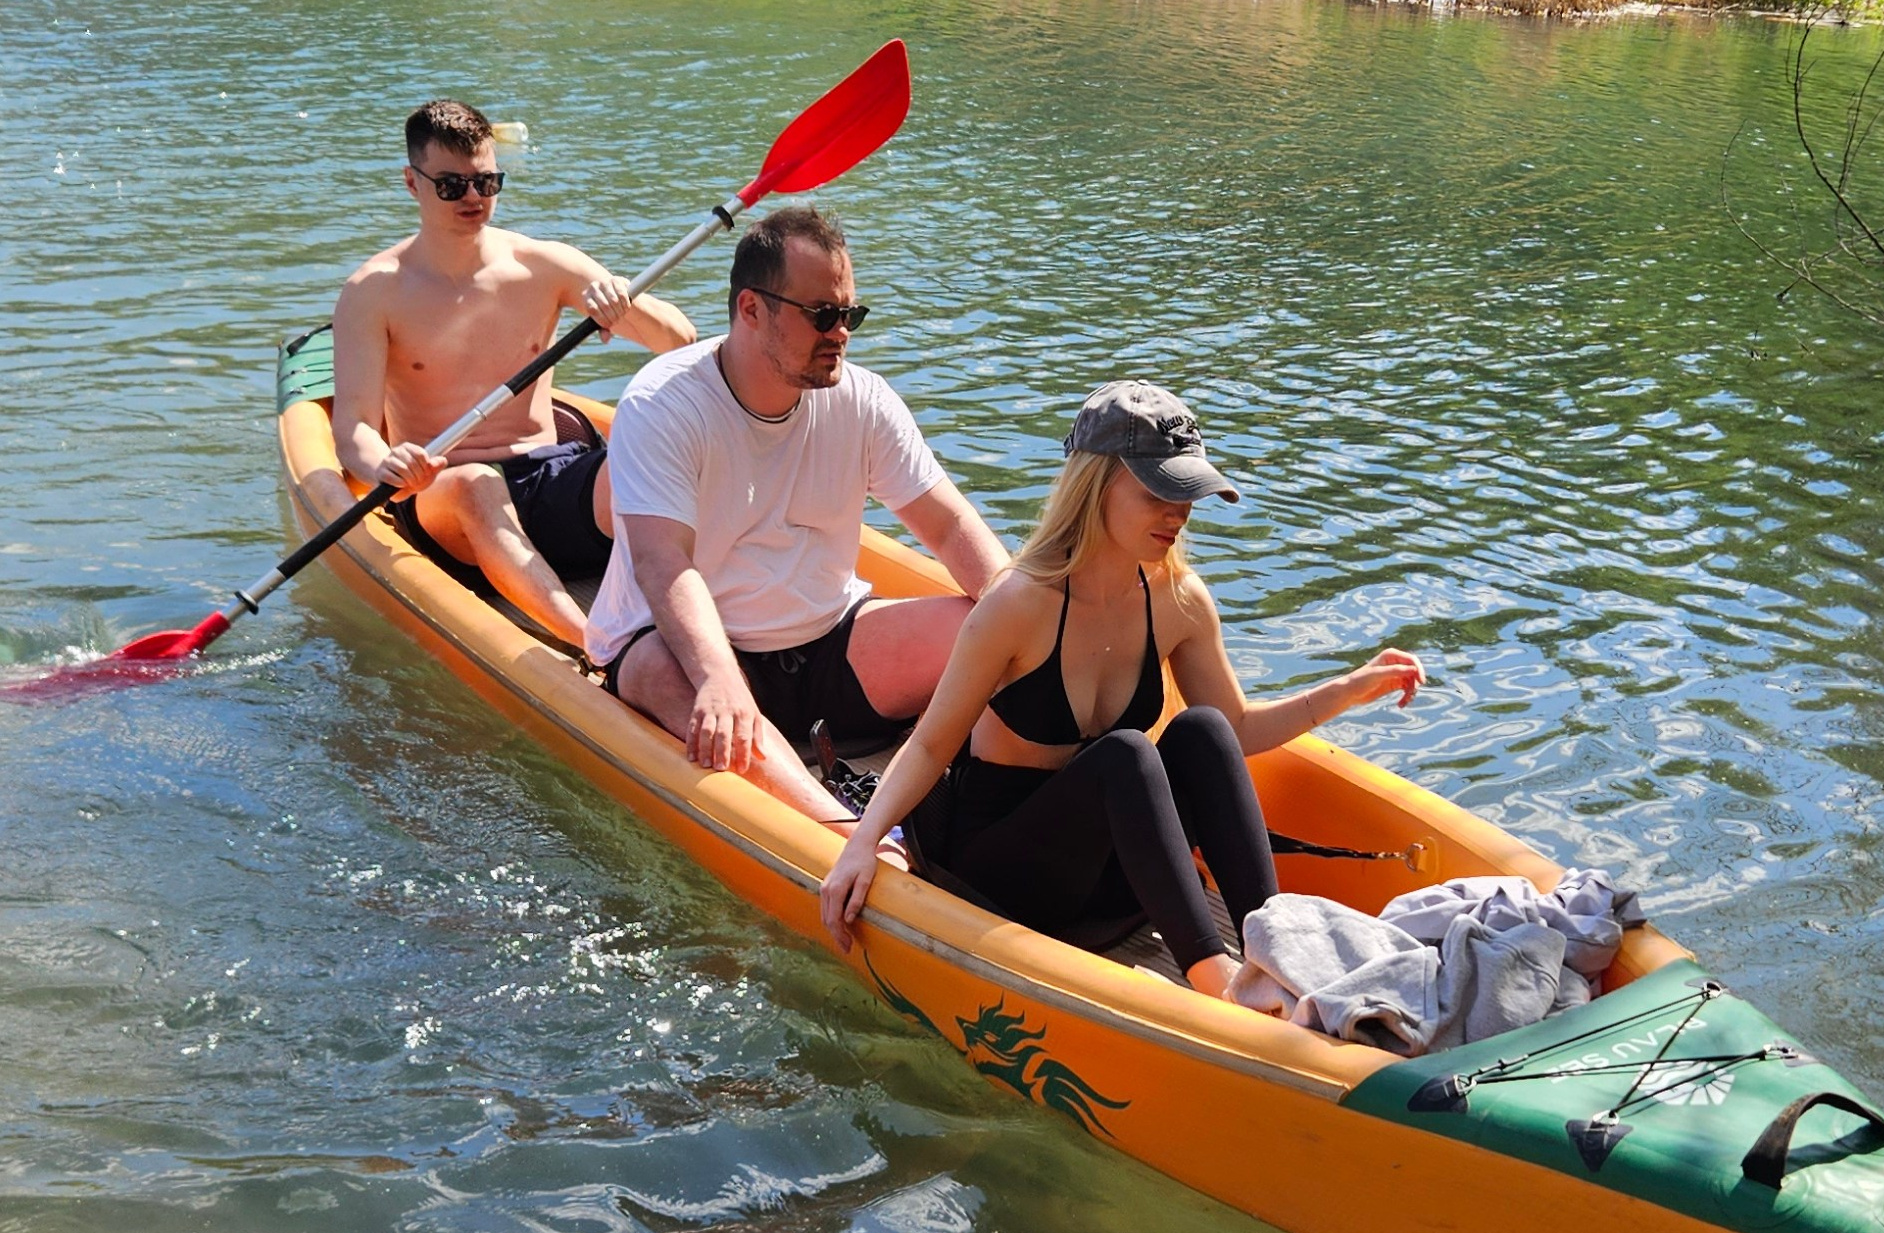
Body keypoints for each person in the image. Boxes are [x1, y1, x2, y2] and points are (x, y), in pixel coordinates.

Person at [818, 381, 1427, 996]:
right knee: (1127, 755)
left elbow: (1237, 732)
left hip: (1109, 879)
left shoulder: (1178, 599)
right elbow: (927, 746)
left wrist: (1346, 690)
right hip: (1004, 876)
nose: (1179, 513)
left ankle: (1276, 948)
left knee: (1202, 730)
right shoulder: (1019, 603)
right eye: (1160, 492)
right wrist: (861, 843)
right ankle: (1221, 991)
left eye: (1188, 494)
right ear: (1098, 484)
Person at [586, 205, 1010, 831]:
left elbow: (947, 527)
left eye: (850, 315)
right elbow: (662, 561)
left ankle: (986, 808)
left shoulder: (863, 400)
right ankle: (844, 834)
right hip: (702, 656)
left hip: (830, 644)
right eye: (822, 315)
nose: (840, 332)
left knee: (989, 627)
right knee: (652, 669)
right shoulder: (663, 403)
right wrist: (719, 681)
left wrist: (1020, 617)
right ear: (751, 310)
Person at [333, 99, 698, 648]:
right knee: (478, 484)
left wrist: (624, 302)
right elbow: (353, 430)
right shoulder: (374, 291)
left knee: (657, 456)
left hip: (550, 479)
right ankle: (597, 648)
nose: (474, 198)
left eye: (487, 181)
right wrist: (385, 461)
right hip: (442, 494)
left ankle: (732, 618)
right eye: (452, 186)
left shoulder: (544, 265)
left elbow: (678, 342)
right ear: (413, 183)